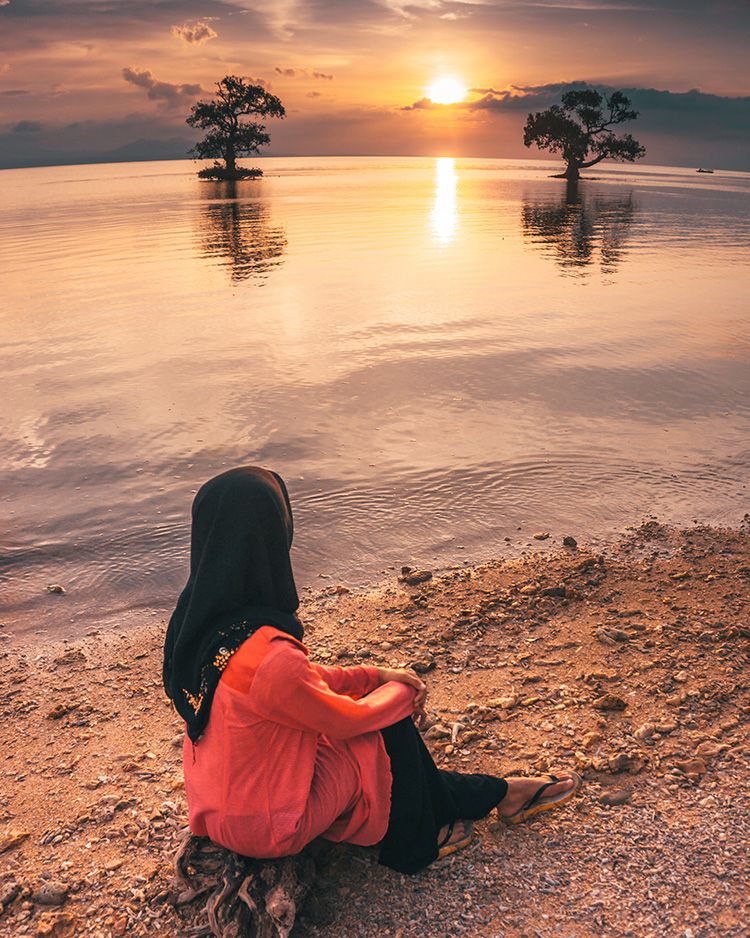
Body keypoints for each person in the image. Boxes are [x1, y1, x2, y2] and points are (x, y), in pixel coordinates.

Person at [163, 466, 580, 875]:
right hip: (269, 827)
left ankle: (499, 793)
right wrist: (405, 694)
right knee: (385, 731)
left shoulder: (200, 627)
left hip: (215, 810)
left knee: (380, 727)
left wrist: (375, 676)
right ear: (271, 537)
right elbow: (349, 720)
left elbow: (294, 686)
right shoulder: (269, 654)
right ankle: (414, 845)